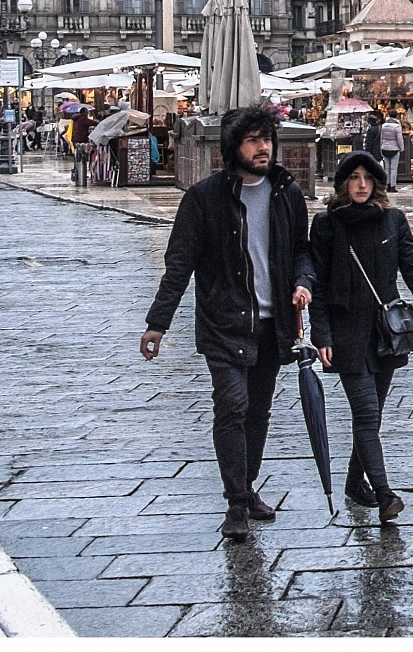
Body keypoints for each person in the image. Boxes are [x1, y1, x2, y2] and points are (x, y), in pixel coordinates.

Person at [140, 107, 315, 539]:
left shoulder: (286, 192)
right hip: (224, 322)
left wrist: (303, 281)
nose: (264, 147)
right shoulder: (204, 198)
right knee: (232, 406)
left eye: (267, 139)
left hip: (273, 324)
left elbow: (301, 250)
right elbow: (179, 264)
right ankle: (236, 501)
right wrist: (157, 323)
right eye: (254, 140)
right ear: (232, 147)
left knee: (258, 411)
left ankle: (247, 486)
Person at [300, 151, 413, 520]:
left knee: (372, 417)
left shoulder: (393, 221)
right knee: (366, 412)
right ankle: (385, 493)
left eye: (367, 178)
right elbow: (320, 287)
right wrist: (321, 334)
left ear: (376, 183)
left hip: (386, 334)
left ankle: (353, 483)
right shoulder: (327, 225)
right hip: (346, 333)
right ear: (343, 183)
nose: (361, 184)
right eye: (354, 177)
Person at [378, 113, 404, 190]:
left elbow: (381, 138)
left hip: (384, 148)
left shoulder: (383, 126)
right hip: (394, 149)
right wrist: (401, 148)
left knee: (387, 168)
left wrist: (381, 147)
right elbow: (399, 139)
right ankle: (392, 186)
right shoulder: (397, 126)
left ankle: (387, 185)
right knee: (393, 168)